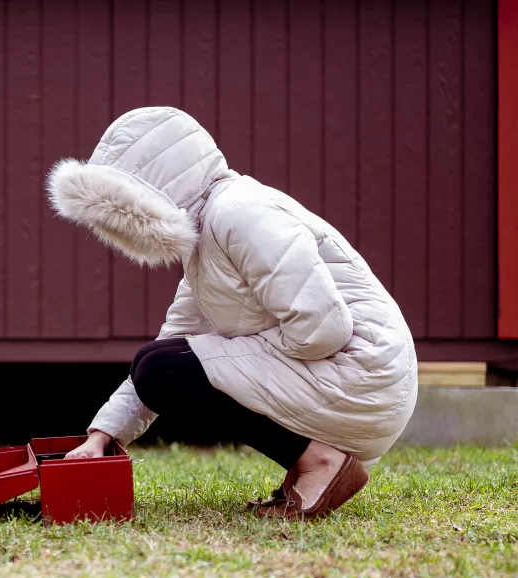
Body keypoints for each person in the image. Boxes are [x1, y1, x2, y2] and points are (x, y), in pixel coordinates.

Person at [47, 107, 417, 520]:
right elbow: (166, 350)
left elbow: (323, 329)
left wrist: (233, 352)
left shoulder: (239, 212)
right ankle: (310, 460)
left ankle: (321, 463)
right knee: (158, 363)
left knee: (165, 369)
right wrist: (101, 436)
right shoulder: (207, 237)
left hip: (363, 375)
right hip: (350, 379)